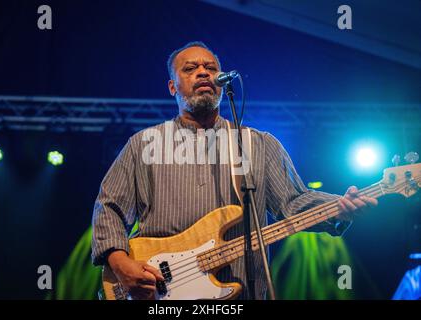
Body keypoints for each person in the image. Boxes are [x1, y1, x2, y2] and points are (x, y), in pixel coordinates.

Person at [91, 41, 378, 300]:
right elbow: (109, 207)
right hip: (160, 293)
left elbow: (293, 202)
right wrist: (120, 264)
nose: (203, 72)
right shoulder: (143, 144)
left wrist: (338, 207)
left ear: (221, 80)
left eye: (211, 68)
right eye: (190, 68)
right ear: (172, 86)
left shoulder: (258, 144)